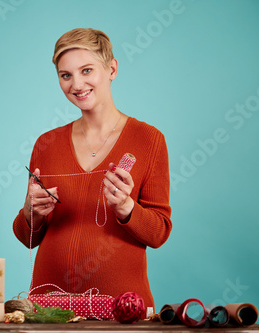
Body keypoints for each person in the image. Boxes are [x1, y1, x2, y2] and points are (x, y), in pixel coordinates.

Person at [12, 28, 172, 311]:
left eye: (87, 70)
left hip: (121, 308)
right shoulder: (46, 143)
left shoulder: (150, 140)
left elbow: (159, 232)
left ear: (112, 69)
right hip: (49, 310)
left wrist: (126, 208)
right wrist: (29, 213)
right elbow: (29, 239)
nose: (77, 84)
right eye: (66, 75)